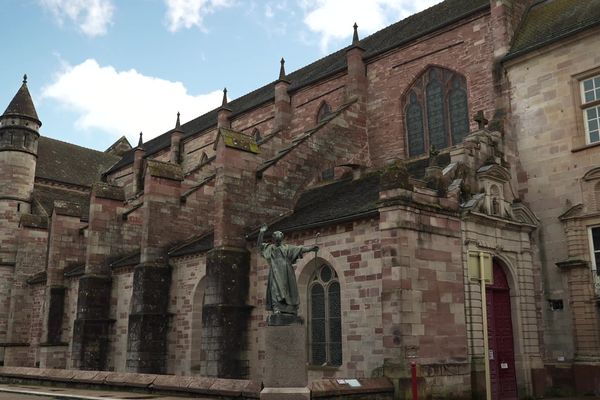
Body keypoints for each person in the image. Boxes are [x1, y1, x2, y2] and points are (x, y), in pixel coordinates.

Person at [257, 224, 318, 315]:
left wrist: (311, 248)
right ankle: (276, 307)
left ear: (282, 238)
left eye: (279, 235)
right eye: (276, 236)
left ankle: (289, 308)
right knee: (275, 289)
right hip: (275, 271)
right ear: (273, 238)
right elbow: (259, 246)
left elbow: (299, 249)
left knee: (287, 290)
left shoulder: (287, 247)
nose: (278, 237)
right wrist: (261, 233)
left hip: (286, 271)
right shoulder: (269, 248)